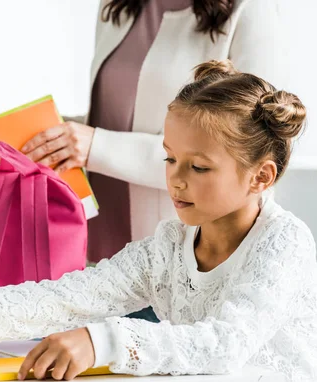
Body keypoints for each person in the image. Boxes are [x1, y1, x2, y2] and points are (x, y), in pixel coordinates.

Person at [0, 60, 317, 382]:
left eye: (199, 167)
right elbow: (66, 297)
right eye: (170, 158)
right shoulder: (170, 244)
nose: (174, 178)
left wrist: (99, 341)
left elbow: (226, 344)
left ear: (260, 176)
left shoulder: (284, 241)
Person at [21, 0, 284, 264]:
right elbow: (115, 116)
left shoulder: (251, 9)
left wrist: (95, 146)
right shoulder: (117, 5)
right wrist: (56, 133)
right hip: (97, 243)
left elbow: (246, 149)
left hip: (186, 254)